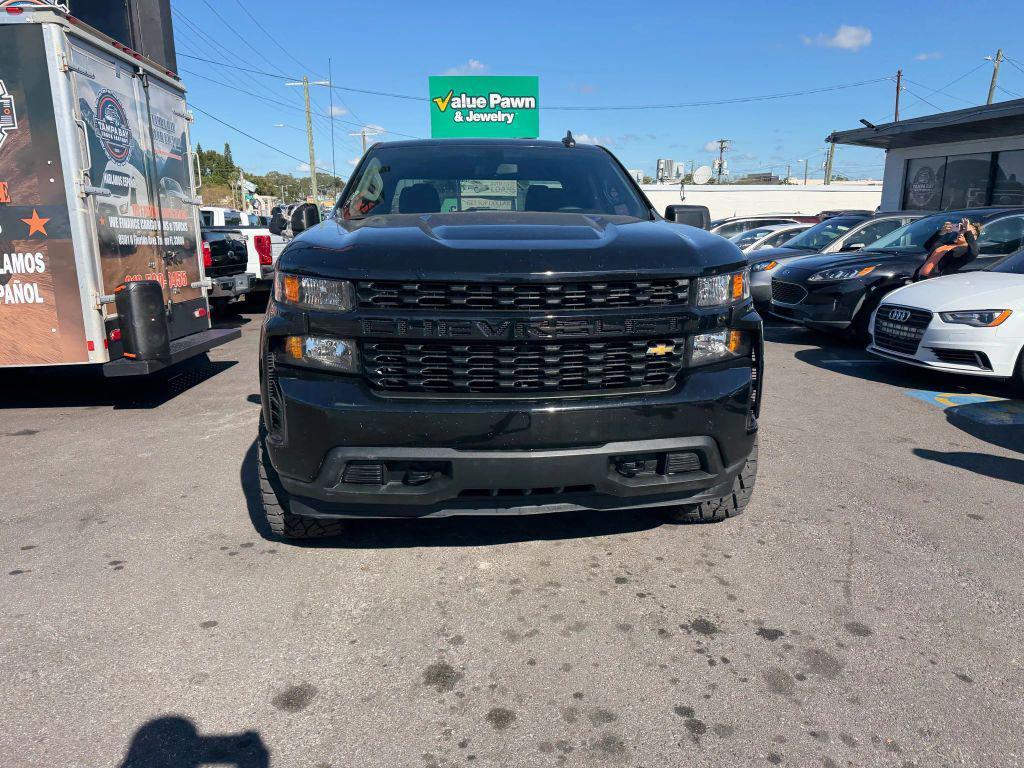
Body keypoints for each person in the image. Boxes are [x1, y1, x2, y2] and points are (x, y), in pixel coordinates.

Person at [914, 218, 980, 281]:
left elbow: (974, 253)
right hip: (919, 278)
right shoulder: (949, 243)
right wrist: (942, 232)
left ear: (974, 237)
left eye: (965, 231)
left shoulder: (966, 250)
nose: (962, 233)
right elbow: (927, 246)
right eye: (961, 229)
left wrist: (967, 231)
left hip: (936, 281)